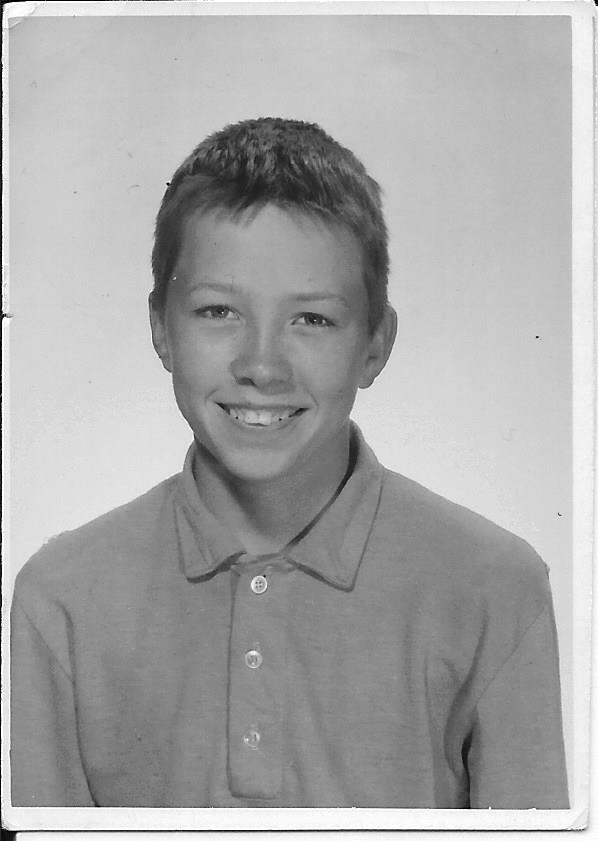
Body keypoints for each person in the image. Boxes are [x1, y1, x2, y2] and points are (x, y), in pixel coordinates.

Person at [11, 117, 569, 809]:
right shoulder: (62, 598)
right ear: (160, 328)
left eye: (312, 319)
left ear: (375, 344)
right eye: (219, 310)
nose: (262, 366)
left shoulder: (494, 588)